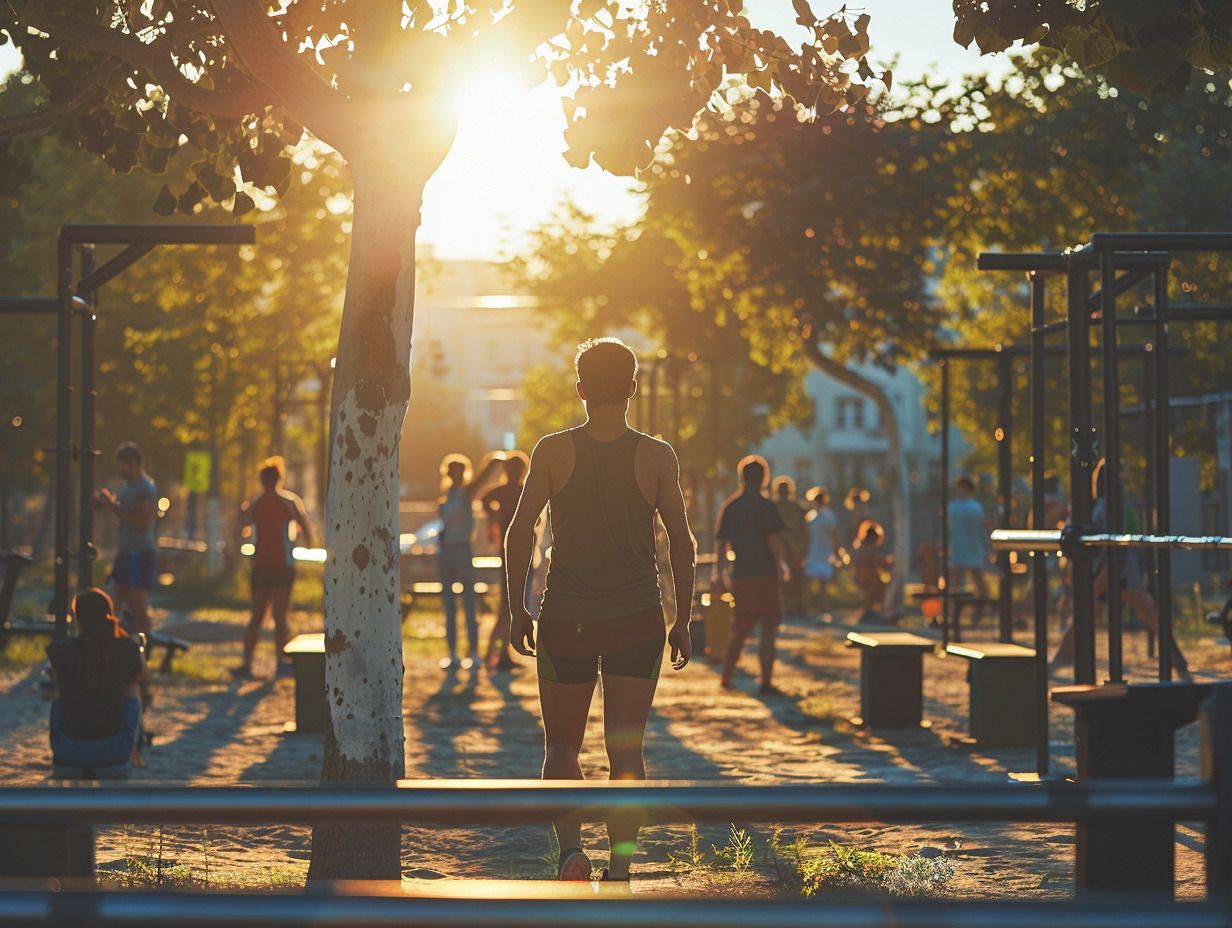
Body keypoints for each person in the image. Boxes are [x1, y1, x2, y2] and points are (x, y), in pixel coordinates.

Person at [504, 337, 695, 883]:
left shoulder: (552, 450)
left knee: (561, 745)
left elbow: (521, 534)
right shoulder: (658, 456)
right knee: (626, 752)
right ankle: (620, 868)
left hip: (566, 619)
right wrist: (681, 618)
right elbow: (681, 543)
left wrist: (518, 607)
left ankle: (571, 854)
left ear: (581, 388)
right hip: (638, 621)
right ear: (634, 387)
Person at [1049, 459, 1190, 680]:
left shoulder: (1108, 504)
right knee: (1097, 612)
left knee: (1142, 610)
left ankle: (1175, 657)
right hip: (1116, 567)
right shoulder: (1107, 503)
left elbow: (1115, 541)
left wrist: (1103, 575)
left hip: (1117, 567)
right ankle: (1063, 655)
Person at [712, 455, 791, 695]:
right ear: (765, 478)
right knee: (768, 627)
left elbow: (722, 545)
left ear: (741, 477)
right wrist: (784, 566)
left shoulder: (730, 506)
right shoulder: (766, 506)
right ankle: (766, 682)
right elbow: (773, 540)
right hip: (764, 574)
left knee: (742, 625)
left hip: (741, 575)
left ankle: (726, 675)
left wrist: (720, 574)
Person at [47, 588, 149, 770]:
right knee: (132, 682)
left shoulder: (59, 650)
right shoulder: (125, 647)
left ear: (77, 618)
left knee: (59, 684)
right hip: (114, 752)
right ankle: (135, 751)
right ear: (108, 613)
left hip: (67, 752)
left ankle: (61, 746)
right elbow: (143, 675)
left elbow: (59, 678)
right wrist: (137, 647)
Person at [234, 456, 313, 680]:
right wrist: (307, 545)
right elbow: (305, 527)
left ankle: (247, 663)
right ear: (280, 478)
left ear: (261, 480)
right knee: (280, 616)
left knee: (256, 616)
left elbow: (241, 526)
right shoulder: (288, 501)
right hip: (282, 565)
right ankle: (281, 662)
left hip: (260, 566)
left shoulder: (257, 502)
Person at [438, 452, 504, 670]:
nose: (455, 475)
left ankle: (473, 653)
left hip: (463, 551)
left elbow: (483, 478)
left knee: (468, 603)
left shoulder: (467, 494)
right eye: (452, 471)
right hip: (445, 552)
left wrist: (496, 459)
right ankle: (452, 654)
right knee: (449, 605)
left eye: (459, 471)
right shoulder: (447, 495)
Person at [93, 442, 157, 637]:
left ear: (137, 463)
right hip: (125, 553)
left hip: (140, 553)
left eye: (127, 463)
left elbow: (143, 521)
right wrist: (107, 503)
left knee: (138, 608)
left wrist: (113, 508)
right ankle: (113, 648)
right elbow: (123, 512)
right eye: (120, 463)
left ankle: (147, 651)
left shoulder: (145, 487)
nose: (122, 468)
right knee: (113, 603)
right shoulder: (125, 488)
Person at [481, 450, 530, 671]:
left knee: (511, 603)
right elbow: (484, 500)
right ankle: (496, 652)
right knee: (508, 604)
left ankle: (500, 651)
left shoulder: (519, 491)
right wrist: (493, 517)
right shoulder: (513, 492)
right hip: (509, 552)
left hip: (520, 552)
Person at [947, 476, 993, 611]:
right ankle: (953, 611)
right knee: (956, 583)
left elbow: (986, 526)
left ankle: (982, 609)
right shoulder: (954, 507)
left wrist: (993, 544)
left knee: (978, 581)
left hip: (972, 549)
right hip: (958, 550)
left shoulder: (974, 508)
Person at [772, 476, 808, 619]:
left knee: (798, 579)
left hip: (796, 549)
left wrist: (802, 546)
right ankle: (784, 606)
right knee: (781, 580)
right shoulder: (773, 508)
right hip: (780, 550)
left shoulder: (797, 508)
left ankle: (799, 607)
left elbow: (804, 529)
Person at [803, 486, 839, 619]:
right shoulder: (810, 517)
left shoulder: (829, 517)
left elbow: (834, 536)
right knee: (808, 583)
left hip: (824, 553)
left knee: (823, 585)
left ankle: (825, 610)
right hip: (813, 552)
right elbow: (806, 537)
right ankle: (810, 610)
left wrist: (835, 553)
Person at [852, 519, 893, 622]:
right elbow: (884, 565)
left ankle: (868, 613)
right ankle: (873, 615)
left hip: (859, 578)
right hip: (868, 579)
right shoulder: (872, 551)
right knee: (882, 591)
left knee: (869, 597)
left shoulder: (859, 548)